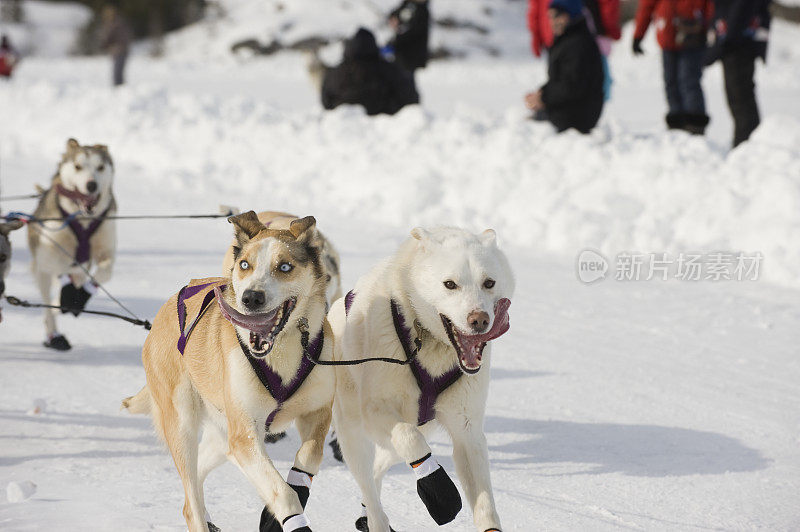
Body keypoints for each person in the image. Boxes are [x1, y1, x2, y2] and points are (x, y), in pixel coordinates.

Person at [524, 0, 605, 134]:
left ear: (569, 16)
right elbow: (560, 80)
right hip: (568, 110)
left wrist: (544, 98)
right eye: (549, 16)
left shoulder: (578, 44)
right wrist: (541, 94)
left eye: (556, 16)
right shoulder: (566, 39)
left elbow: (572, 86)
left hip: (578, 116)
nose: (552, 21)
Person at [633, 0, 712, 135]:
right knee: (671, 81)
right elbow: (647, 6)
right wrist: (638, 35)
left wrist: (710, 29)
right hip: (667, 37)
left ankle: (695, 124)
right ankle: (677, 123)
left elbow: (710, 7)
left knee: (688, 81)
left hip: (692, 36)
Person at [705, 0, 771, 147]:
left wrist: (724, 43)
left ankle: (745, 146)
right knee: (738, 99)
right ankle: (745, 144)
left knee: (741, 100)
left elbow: (741, 11)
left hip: (738, 47)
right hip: (733, 45)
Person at [321, 28, 419, 116]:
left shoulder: (335, 72)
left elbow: (326, 100)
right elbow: (409, 97)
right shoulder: (388, 69)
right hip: (385, 124)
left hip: (343, 124)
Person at [387, 0, 430, 73]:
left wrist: (395, 42)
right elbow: (395, 14)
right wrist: (393, 18)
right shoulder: (407, 5)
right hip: (400, 53)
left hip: (413, 54)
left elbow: (414, 31)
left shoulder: (422, 11)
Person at [100, 5, 132, 86]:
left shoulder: (116, 24)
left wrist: (106, 42)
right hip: (118, 51)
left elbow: (112, 37)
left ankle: (119, 90)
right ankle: (119, 90)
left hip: (120, 51)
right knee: (117, 72)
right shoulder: (114, 23)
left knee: (117, 73)